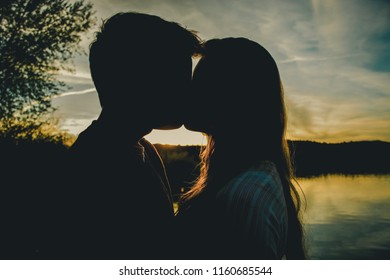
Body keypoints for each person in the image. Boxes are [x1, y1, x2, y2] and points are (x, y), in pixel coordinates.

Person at [57, 12, 201, 259]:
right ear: (142, 80)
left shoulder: (144, 149)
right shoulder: (94, 169)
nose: (189, 93)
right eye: (179, 79)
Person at [178, 38, 306, 259]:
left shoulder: (245, 197)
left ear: (230, 95)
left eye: (200, 81)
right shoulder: (249, 178)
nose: (189, 91)